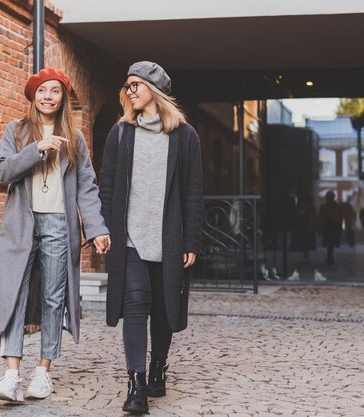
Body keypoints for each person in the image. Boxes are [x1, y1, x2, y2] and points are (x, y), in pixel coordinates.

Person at [0, 68, 111, 402]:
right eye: (42, 90)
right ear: (33, 95)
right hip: (21, 225)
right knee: (15, 293)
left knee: (52, 298)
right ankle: (11, 373)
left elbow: (87, 186)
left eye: (55, 91)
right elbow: (3, 171)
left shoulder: (75, 139)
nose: (48, 96)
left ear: (63, 98)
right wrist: (37, 149)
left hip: (59, 223)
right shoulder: (15, 131)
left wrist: (97, 227)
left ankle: (43, 371)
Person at [98, 61, 203, 414]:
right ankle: (136, 384)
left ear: (155, 90)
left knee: (163, 308)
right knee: (136, 306)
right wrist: (103, 229)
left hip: (169, 238)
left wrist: (191, 241)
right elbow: (108, 185)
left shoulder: (185, 136)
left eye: (136, 85)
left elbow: (192, 191)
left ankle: (158, 367)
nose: (130, 91)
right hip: (130, 239)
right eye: (127, 86)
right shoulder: (121, 133)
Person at [318, 191, 343, 265]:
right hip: (332, 225)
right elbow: (340, 217)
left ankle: (329, 254)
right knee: (331, 241)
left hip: (328, 225)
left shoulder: (324, 206)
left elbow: (321, 217)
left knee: (329, 241)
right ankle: (330, 254)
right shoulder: (337, 206)